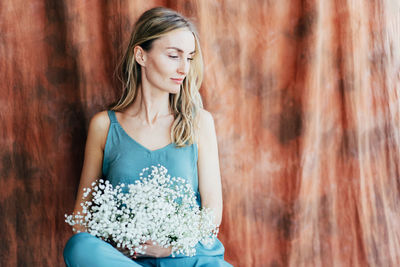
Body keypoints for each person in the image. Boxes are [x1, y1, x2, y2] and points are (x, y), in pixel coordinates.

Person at [63, 6, 233, 267]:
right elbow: (81, 216)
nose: (184, 68)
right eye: (174, 56)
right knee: (79, 247)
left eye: (189, 58)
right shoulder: (105, 126)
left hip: (186, 258)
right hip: (125, 260)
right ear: (141, 55)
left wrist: (169, 248)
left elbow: (211, 215)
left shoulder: (199, 122)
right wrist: (118, 240)